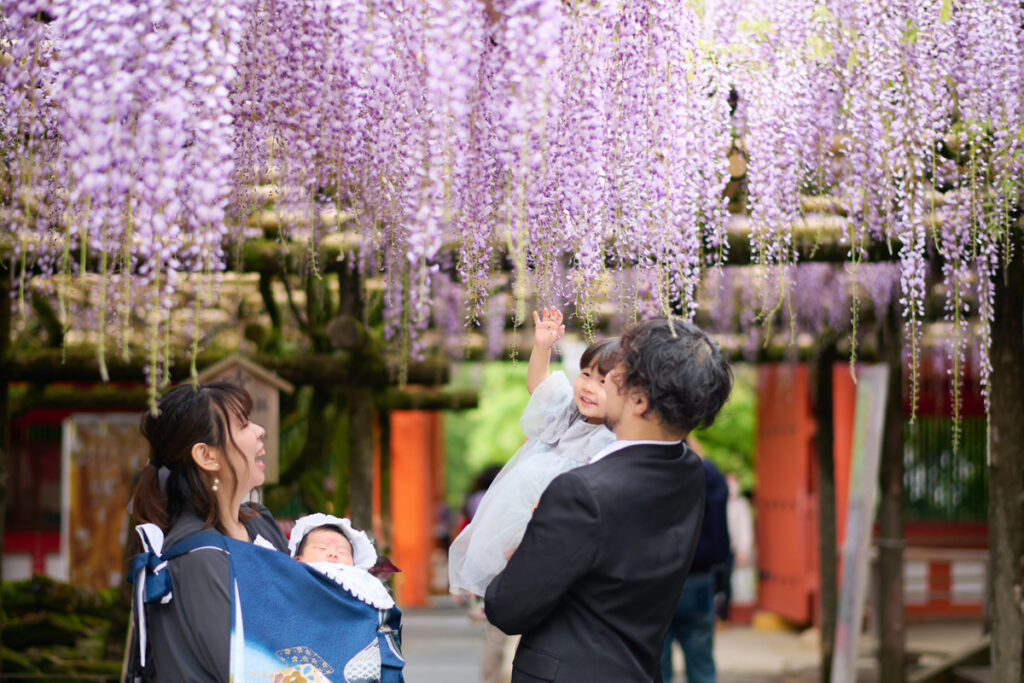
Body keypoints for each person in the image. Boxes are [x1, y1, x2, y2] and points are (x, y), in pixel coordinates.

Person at [485, 317, 733, 682]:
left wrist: (523, 554)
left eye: (620, 373)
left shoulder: (581, 494)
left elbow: (507, 608)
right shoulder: (689, 472)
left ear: (638, 399)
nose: (606, 380)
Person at [448, 307, 618, 597]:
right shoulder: (568, 412)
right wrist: (542, 347)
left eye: (603, 382)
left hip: (557, 524)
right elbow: (539, 385)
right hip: (521, 516)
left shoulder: (610, 438)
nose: (589, 387)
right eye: (586, 375)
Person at [126, 381, 290, 682]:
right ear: (207, 456)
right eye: (243, 424)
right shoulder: (196, 556)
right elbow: (251, 670)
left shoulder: (259, 523)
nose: (259, 430)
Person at [659, 455, 731, 683]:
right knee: (701, 663)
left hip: (657, 581)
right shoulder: (707, 473)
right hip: (699, 574)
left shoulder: (652, 469)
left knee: (656, 666)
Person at [290, 513, 396, 610]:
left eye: (342, 552)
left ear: (354, 565)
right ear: (298, 560)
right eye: (322, 548)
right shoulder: (291, 587)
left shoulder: (361, 585)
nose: (333, 554)